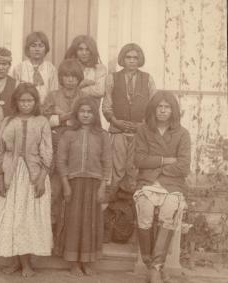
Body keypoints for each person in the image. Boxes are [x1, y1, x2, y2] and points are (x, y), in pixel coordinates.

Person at [0, 83, 53, 277]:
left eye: (30, 100)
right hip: (11, 175)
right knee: (12, 217)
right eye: (22, 100)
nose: (26, 104)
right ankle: (15, 262)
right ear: (16, 102)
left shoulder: (42, 121)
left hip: (34, 176)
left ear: (35, 102)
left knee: (29, 219)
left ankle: (27, 264)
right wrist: (0, 178)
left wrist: (42, 178)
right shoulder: (7, 121)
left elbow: (48, 151)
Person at [101, 43, 157, 242]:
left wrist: (142, 125)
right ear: (122, 59)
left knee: (133, 173)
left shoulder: (147, 79)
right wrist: (115, 121)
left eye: (135, 57)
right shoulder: (112, 78)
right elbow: (106, 104)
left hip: (139, 134)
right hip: (118, 132)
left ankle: (130, 224)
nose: (131, 61)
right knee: (117, 173)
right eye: (128, 57)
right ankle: (111, 222)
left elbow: (153, 106)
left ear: (139, 59)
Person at [134, 91, 191, 283]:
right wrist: (166, 160)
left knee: (168, 212)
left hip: (172, 184)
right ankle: (151, 265)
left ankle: (156, 268)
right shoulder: (143, 130)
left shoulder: (182, 134)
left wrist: (157, 167)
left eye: (167, 107)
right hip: (147, 183)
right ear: (153, 109)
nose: (163, 111)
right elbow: (139, 160)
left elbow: (184, 166)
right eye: (160, 106)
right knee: (145, 211)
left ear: (173, 110)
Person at [55, 96, 111, 276]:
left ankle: (87, 262)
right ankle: (73, 263)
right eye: (82, 111)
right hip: (73, 183)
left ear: (95, 114)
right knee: (74, 222)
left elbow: (107, 163)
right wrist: (65, 185)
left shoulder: (103, 136)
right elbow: (61, 161)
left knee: (90, 223)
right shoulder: (68, 135)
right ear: (76, 114)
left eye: (89, 112)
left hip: (94, 184)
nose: (86, 115)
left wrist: (103, 187)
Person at [42, 58, 86, 231]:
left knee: (73, 191)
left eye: (74, 76)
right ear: (61, 77)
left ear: (79, 78)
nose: (70, 80)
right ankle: (50, 229)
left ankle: (69, 232)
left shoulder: (84, 97)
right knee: (54, 189)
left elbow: (88, 119)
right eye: (66, 76)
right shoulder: (53, 95)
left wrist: (69, 121)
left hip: (78, 146)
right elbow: (43, 119)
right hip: (56, 145)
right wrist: (63, 118)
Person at [12, 31, 58, 104]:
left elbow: (54, 92)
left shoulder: (51, 69)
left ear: (46, 49)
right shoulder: (19, 68)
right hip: (25, 108)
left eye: (41, 46)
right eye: (33, 46)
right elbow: (16, 93)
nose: (37, 49)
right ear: (28, 48)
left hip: (45, 109)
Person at [64, 35, 107, 109]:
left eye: (87, 49)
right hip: (70, 111)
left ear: (92, 51)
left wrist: (75, 87)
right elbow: (63, 91)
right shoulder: (69, 67)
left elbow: (100, 91)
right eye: (80, 49)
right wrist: (84, 83)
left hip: (91, 112)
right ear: (75, 51)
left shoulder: (99, 68)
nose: (84, 53)